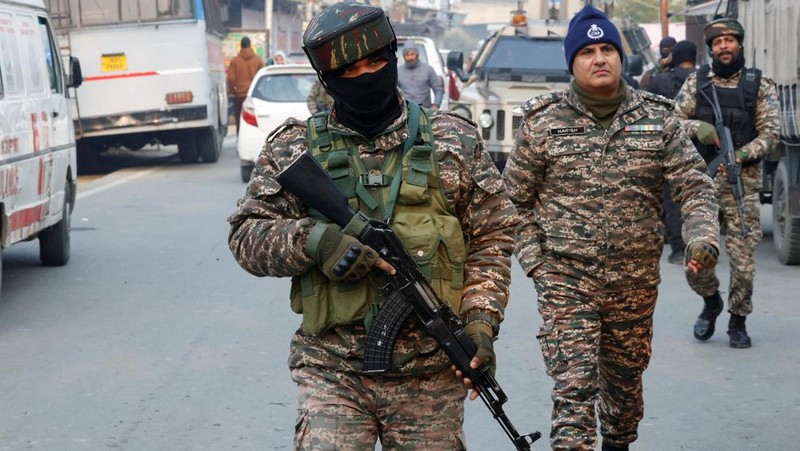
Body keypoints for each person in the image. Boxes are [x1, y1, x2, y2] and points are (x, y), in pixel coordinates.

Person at [228, 2, 517, 449]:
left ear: (393, 57)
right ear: (327, 79)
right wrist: (315, 241)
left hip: (429, 373)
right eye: (349, 70)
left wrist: (480, 321)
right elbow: (247, 235)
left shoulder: (452, 140)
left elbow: (492, 236)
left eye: (376, 62)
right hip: (332, 369)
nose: (365, 76)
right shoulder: (294, 147)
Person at [503, 5, 720, 450]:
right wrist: (537, 264)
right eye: (587, 52)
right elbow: (512, 204)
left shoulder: (658, 118)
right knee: (574, 389)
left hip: (633, 283)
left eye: (607, 49)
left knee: (623, 394)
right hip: (566, 281)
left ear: (621, 57)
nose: (599, 58)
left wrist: (702, 238)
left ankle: (618, 441)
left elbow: (695, 187)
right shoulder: (543, 122)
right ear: (572, 62)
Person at [673, 18, 779, 348]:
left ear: (739, 44)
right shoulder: (697, 82)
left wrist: (744, 154)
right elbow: (672, 121)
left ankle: (737, 319)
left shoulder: (760, 85)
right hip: (701, 185)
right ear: (711, 48)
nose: (724, 46)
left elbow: (771, 133)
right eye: (718, 43)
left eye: (730, 41)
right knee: (696, 258)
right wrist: (697, 128)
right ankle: (711, 302)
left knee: (743, 264)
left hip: (742, 185)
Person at [646, 40, 699, 264]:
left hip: (667, 145)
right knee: (699, 195)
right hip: (701, 147)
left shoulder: (659, 80)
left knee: (672, 197)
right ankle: (699, 244)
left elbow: (645, 113)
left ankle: (678, 248)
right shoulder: (705, 80)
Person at [227, 36, 264, 134]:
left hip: (240, 95)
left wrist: (233, 90)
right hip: (255, 95)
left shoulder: (235, 61)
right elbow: (263, 78)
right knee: (254, 120)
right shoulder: (258, 60)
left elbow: (230, 78)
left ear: (241, 46)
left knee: (240, 119)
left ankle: (240, 137)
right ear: (250, 45)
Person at [397, 42, 444, 110]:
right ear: (404, 56)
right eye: (407, 55)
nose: (410, 57)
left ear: (417, 54)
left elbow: (438, 89)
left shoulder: (428, 69)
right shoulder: (398, 71)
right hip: (405, 111)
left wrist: (436, 105)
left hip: (425, 111)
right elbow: (394, 92)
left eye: (412, 54)